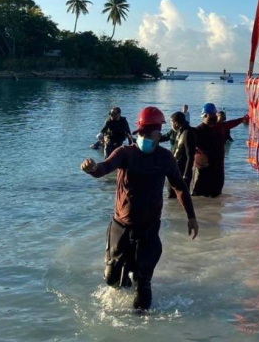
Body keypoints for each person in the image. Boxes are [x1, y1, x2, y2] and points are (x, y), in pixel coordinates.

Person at [80, 106, 199, 311]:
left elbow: (179, 186)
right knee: (111, 279)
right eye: (141, 133)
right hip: (121, 226)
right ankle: (122, 280)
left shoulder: (164, 158)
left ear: (158, 133)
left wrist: (191, 216)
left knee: (143, 283)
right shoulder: (125, 153)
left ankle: (142, 329)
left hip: (148, 228)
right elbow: (104, 168)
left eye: (149, 133)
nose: (144, 137)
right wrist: (92, 169)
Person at [192, 103, 248, 198]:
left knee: (216, 197)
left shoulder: (219, 127)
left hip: (218, 169)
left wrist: (242, 119)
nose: (214, 117)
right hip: (202, 170)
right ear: (204, 116)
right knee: (198, 197)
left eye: (215, 115)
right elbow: (188, 149)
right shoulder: (196, 131)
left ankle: (213, 213)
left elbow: (231, 123)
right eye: (212, 115)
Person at [165, 111, 197, 197]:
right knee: (172, 196)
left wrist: (186, 175)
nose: (171, 125)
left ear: (176, 123)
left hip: (181, 171)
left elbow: (190, 156)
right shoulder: (178, 131)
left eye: (171, 122)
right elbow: (164, 137)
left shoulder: (187, 133)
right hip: (175, 168)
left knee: (178, 196)